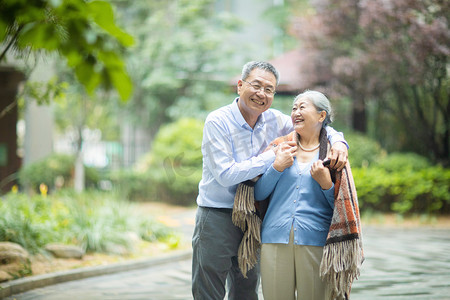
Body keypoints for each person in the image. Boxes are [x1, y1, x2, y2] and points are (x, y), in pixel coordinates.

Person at [192, 62, 349, 300]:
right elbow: (225, 175)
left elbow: (314, 125)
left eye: (269, 89)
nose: (262, 94)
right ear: (240, 85)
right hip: (218, 215)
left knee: (247, 290)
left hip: (254, 218)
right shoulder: (218, 121)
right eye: (256, 85)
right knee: (209, 290)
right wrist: (271, 157)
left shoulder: (276, 120)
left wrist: (338, 142)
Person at [254, 90, 363, 300]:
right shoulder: (279, 148)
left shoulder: (334, 155)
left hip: (316, 241)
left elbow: (340, 208)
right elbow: (258, 194)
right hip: (274, 238)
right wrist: (277, 167)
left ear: (321, 116)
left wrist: (326, 184)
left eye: (302, 107)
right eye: (294, 108)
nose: (295, 112)